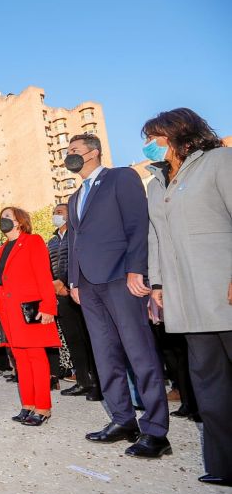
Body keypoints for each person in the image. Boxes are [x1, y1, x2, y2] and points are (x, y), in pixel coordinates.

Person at [65, 133, 170, 458]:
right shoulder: (74, 197)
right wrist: (73, 280)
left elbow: (138, 225)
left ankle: (156, 431)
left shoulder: (120, 177)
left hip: (119, 278)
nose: (69, 155)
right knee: (105, 355)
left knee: (139, 353)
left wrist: (137, 269)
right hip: (88, 284)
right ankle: (123, 420)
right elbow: (73, 241)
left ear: (94, 151)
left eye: (74, 150)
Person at [142, 108, 232, 485]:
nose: (149, 145)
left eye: (154, 136)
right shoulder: (157, 183)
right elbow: (156, 239)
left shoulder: (219, 161)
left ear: (177, 133)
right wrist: (158, 286)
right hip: (186, 297)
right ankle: (224, 466)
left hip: (221, 289)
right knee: (209, 385)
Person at [0, 207, 61, 426]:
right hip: (7, 310)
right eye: (2, 217)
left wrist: (49, 306)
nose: (3, 220)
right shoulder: (2, 248)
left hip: (28, 308)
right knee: (20, 360)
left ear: (20, 222)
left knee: (35, 357)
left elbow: (43, 274)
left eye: (8, 217)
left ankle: (43, 407)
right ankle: (28, 404)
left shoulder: (33, 241)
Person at [48, 204, 101, 401]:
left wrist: (65, 282)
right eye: (54, 213)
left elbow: (79, 260)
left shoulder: (78, 233)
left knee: (90, 339)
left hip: (78, 291)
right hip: (59, 296)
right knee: (72, 340)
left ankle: (99, 383)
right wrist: (54, 286)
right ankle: (82, 381)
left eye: (59, 212)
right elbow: (48, 266)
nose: (56, 215)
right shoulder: (52, 242)